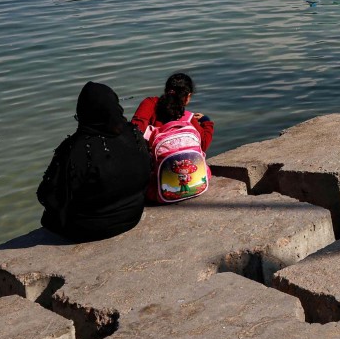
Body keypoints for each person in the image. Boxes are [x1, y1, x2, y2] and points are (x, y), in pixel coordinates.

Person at [37, 81, 153, 241]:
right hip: (132, 216)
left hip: (91, 229)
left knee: (50, 218)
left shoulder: (76, 148)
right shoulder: (133, 134)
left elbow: (49, 196)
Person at [130, 73, 214, 152]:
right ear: (188, 96)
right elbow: (203, 144)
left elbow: (136, 129)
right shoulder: (187, 118)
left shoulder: (150, 103)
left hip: (152, 161)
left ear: (166, 90)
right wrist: (205, 121)